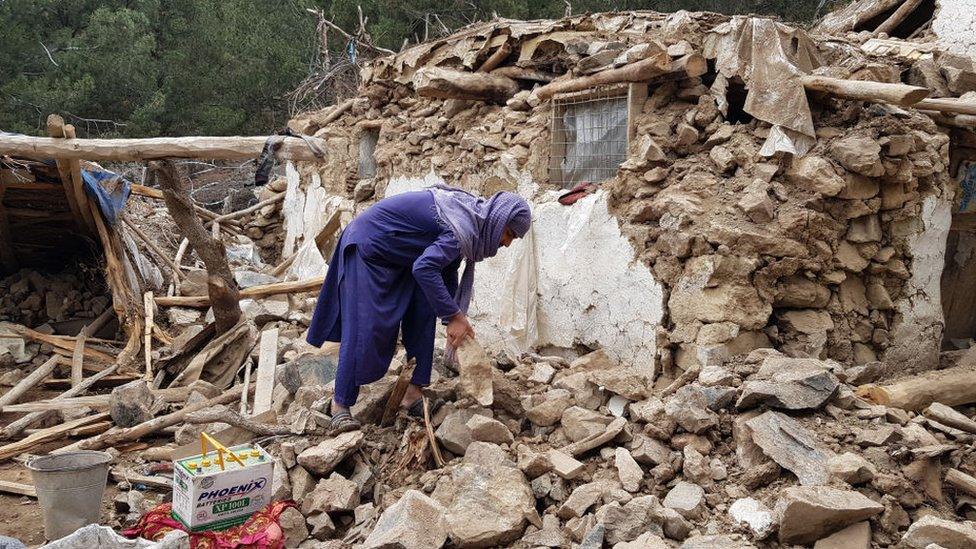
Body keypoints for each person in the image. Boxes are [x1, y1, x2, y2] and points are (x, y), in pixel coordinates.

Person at [307, 184, 532, 432]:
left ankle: (413, 394)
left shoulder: (469, 223)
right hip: (369, 247)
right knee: (365, 327)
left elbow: (445, 271)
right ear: (498, 220)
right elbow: (425, 268)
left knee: (424, 312)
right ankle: (340, 405)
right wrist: (454, 315)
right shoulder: (462, 226)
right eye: (509, 234)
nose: (507, 243)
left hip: (404, 257)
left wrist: (452, 318)